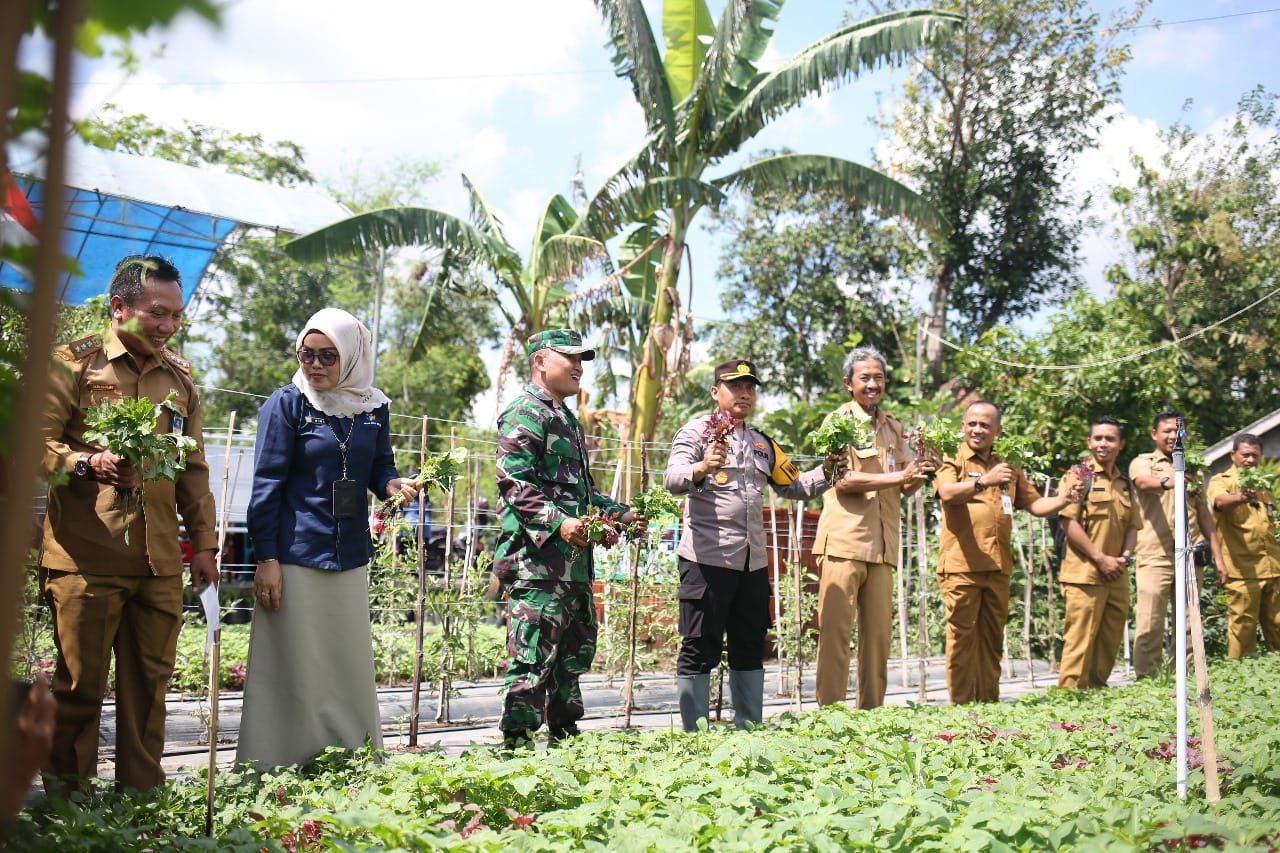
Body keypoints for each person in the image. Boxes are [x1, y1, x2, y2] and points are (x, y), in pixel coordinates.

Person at [39, 255, 218, 792]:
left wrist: (204, 545)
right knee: (77, 690)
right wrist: (85, 463)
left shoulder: (179, 378)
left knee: (150, 692)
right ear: (119, 308)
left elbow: (194, 467)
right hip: (85, 561)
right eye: (156, 313)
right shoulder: (73, 365)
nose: (167, 326)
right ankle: (70, 810)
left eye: (176, 317)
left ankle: (140, 803)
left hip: (159, 563)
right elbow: (36, 442)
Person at [238, 308, 419, 769]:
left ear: (352, 357)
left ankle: (350, 755)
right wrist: (267, 558)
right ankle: (279, 759)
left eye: (327, 356)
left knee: (345, 659)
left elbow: (381, 465)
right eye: (306, 354)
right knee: (292, 659)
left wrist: (392, 486)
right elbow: (267, 486)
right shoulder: (287, 404)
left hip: (350, 553)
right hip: (295, 554)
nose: (314, 365)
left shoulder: (373, 407)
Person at [493, 329, 641, 748]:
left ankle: (565, 744)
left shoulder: (566, 420)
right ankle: (517, 748)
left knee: (571, 659)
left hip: (573, 565)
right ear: (541, 361)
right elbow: (515, 484)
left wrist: (621, 514)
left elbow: (580, 494)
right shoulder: (526, 412)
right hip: (537, 565)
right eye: (570, 358)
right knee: (532, 658)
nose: (579, 367)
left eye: (582, 360)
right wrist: (558, 524)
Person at [664, 359, 831, 731]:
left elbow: (794, 485)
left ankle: (748, 731)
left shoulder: (761, 443)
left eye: (750, 387)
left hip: (751, 563)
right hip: (706, 560)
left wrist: (829, 470)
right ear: (715, 392)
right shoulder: (695, 433)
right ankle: (694, 736)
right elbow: (672, 478)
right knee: (698, 646)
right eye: (735, 385)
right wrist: (702, 467)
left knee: (749, 644)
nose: (744, 392)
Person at [813, 347, 933, 709]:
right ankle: (829, 716)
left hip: (883, 547)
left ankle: (871, 714)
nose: (873, 384)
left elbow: (908, 483)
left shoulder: (894, 427)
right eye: (865, 378)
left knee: (878, 638)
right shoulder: (837, 423)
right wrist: (901, 475)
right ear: (848, 383)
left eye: (878, 377)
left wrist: (927, 468)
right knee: (835, 636)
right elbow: (843, 480)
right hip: (844, 544)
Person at [934, 401, 1077, 704]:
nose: (977, 429)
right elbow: (946, 493)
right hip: (962, 565)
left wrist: (1065, 499)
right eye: (972, 423)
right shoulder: (952, 456)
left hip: (998, 566)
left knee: (992, 640)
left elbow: (1036, 504)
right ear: (963, 426)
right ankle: (960, 707)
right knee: (962, 638)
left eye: (985, 425)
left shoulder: (1008, 464)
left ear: (998, 430)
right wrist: (984, 480)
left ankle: (988, 705)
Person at [1129, 411, 1225, 678]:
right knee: (1150, 620)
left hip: (1189, 556)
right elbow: (1142, 482)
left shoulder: (1195, 469)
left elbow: (1205, 517)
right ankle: (1147, 679)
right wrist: (1170, 480)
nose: (1173, 436)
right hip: (1155, 556)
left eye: (1178, 431)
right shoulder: (1143, 462)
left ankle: (1186, 677)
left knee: (1189, 621)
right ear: (1155, 434)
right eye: (1167, 431)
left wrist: (1218, 559)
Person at [1055, 417, 1141, 689]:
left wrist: (1124, 558)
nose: (1103, 444)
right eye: (1098, 438)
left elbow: (1133, 526)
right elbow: (1069, 523)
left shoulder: (1125, 483)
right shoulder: (1078, 477)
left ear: (1121, 444)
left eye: (1110, 439)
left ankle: (1095, 691)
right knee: (1079, 639)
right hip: (1084, 574)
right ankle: (1070, 695)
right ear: (1089, 443)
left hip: (1116, 573)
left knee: (1110, 637)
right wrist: (1100, 558)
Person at [1207, 434, 1280, 658]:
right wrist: (1241, 497)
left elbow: (1271, 519)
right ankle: (1238, 678)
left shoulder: (1264, 483)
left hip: (1273, 567)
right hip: (1242, 570)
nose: (1250, 460)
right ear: (1233, 455)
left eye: (1254, 455)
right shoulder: (1222, 481)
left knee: (1278, 625)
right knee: (1242, 629)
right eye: (1245, 455)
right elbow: (1219, 502)